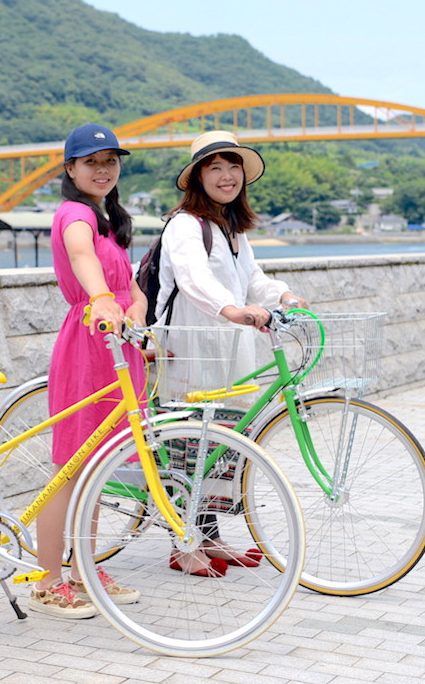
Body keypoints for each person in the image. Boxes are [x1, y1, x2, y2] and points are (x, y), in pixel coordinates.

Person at [155, 130, 308, 576]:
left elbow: (253, 278)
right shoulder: (185, 225)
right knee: (187, 446)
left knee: (220, 445)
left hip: (229, 351)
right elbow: (193, 278)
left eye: (233, 167)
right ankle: (182, 544)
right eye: (215, 168)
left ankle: (210, 536)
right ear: (197, 178)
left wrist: (283, 295)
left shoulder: (230, 228)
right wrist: (232, 309)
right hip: (191, 349)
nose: (227, 176)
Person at [29, 124, 148, 618]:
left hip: (118, 345)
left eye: (110, 161)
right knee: (71, 466)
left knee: (97, 467)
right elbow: (81, 257)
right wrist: (101, 298)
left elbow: (132, 288)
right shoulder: (75, 214)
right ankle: (46, 580)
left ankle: (83, 570)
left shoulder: (107, 220)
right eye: (91, 162)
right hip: (88, 344)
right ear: (71, 169)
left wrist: (135, 307)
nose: (103, 170)